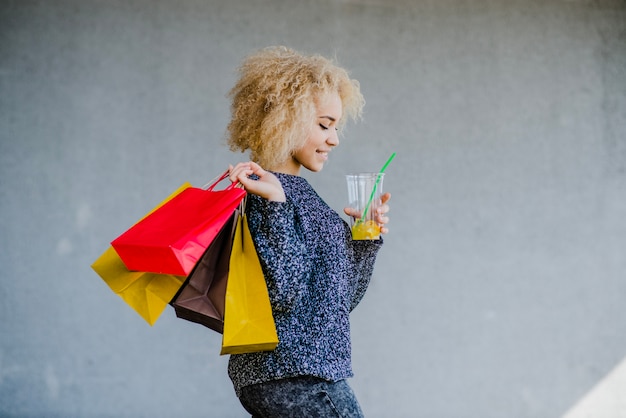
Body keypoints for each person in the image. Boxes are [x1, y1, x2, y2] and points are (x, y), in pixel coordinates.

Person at [227, 46, 391, 418]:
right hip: (295, 375)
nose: (334, 139)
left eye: (335, 126)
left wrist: (366, 240)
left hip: (302, 373)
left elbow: (340, 301)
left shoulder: (297, 194)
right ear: (285, 119)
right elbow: (282, 291)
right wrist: (274, 205)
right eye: (324, 124)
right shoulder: (269, 193)